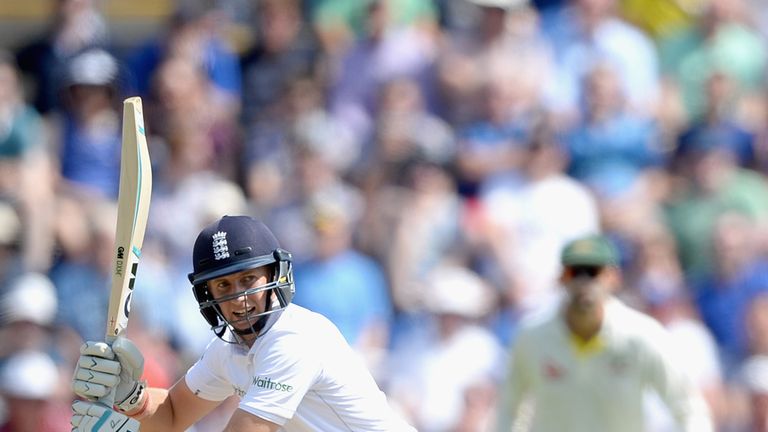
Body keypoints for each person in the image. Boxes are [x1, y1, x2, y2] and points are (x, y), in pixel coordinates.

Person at [70, 215, 416, 431]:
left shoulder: (293, 340)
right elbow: (173, 414)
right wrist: (132, 399)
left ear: (274, 276)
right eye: (223, 286)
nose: (238, 298)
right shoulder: (229, 350)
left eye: (248, 280)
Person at [494, 234, 714, 432]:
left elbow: (688, 408)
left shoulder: (641, 336)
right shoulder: (533, 336)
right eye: (575, 272)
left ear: (613, 278)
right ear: (561, 278)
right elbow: (510, 410)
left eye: (593, 272)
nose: (584, 282)